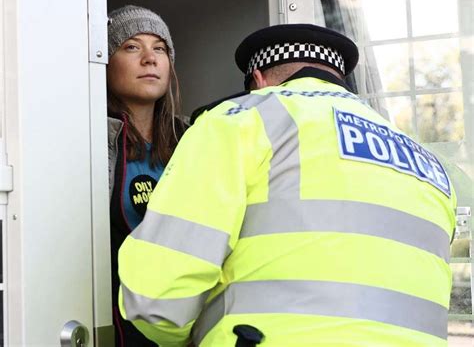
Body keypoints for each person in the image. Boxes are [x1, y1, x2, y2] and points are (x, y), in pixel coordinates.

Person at [117, 23, 457, 346]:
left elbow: (157, 297)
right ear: (339, 78)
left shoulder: (240, 120)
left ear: (258, 80)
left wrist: (176, 339)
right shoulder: (426, 161)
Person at [106, 5, 186, 346]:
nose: (149, 59)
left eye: (160, 48)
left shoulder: (194, 139)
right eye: (131, 46)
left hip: (179, 322)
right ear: (104, 61)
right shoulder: (89, 142)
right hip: (111, 323)